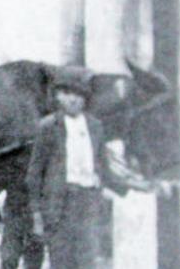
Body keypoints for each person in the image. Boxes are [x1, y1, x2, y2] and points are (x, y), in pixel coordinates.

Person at [26, 77, 150, 268]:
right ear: (58, 96)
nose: (73, 99)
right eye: (67, 94)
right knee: (61, 261)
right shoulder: (48, 127)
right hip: (59, 205)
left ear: (85, 99)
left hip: (88, 204)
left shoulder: (95, 126)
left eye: (78, 95)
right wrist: (36, 213)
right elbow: (34, 172)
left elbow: (102, 168)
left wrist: (132, 184)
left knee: (87, 261)